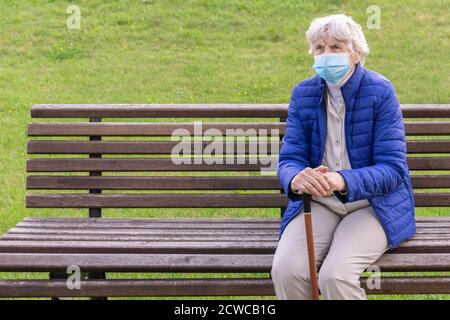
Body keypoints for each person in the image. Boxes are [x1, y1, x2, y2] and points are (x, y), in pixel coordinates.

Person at [271, 14, 416, 300]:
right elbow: (289, 159)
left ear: (357, 53)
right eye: (319, 48)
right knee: (286, 270)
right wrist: (296, 177)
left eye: (336, 47)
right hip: (320, 203)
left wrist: (341, 180)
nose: (326, 54)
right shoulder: (304, 94)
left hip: (373, 205)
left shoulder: (380, 91)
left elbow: (393, 170)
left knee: (335, 275)